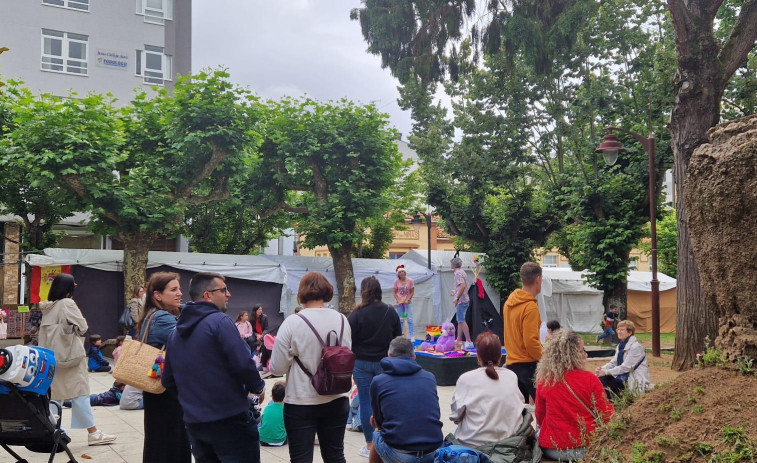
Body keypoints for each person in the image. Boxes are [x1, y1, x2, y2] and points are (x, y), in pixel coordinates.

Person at [162, 272, 266, 463]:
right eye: (224, 290)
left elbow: (168, 380)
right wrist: (259, 387)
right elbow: (244, 363)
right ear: (207, 295)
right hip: (230, 419)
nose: (229, 294)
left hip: (195, 423)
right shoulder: (220, 322)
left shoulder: (175, 333)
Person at [269, 271, 352, 463]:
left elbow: (276, 368)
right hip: (337, 398)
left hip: (301, 401)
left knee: (301, 459)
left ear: (301, 293)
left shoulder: (293, 322)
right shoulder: (342, 320)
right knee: (335, 456)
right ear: (327, 291)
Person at [38, 273, 116, 446]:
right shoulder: (67, 303)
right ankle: (93, 433)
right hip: (70, 358)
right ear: (68, 288)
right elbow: (83, 327)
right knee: (80, 393)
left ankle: (50, 430)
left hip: (52, 358)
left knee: (55, 396)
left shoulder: (47, 307)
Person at [137, 272, 191, 463]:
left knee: (160, 439)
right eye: (173, 289)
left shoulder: (153, 314)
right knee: (171, 440)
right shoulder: (162, 318)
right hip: (166, 389)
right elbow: (188, 343)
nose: (179, 293)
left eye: (179, 289)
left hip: (157, 387)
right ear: (157, 295)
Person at [535, 331, 614, 461]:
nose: (586, 354)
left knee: (538, 431)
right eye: (582, 350)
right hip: (585, 446)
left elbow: (539, 417)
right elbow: (606, 414)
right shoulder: (590, 379)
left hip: (553, 449)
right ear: (574, 354)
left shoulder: (545, 381)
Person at [348, 276, 402, 457]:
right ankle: (387, 440)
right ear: (379, 290)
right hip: (384, 362)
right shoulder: (390, 311)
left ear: (362, 291)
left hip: (361, 363)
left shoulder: (356, 314)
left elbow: (349, 341)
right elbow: (398, 338)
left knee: (365, 401)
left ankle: (370, 445)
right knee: (385, 400)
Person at [369, 336, 443, 463]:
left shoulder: (378, 381)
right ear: (414, 356)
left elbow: (378, 421)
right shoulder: (429, 377)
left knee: (377, 432)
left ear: (389, 355)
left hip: (400, 452)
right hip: (433, 450)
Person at [450, 332, 524, 447]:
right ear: (500, 356)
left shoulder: (465, 379)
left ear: (478, 356)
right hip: (507, 445)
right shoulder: (511, 376)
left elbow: (455, 416)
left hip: (473, 446)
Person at [504, 262, 544, 402]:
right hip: (528, 366)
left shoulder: (509, 302)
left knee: (518, 413)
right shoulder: (530, 307)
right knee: (543, 408)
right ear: (538, 279)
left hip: (511, 363)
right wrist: (545, 357)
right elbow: (531, 342)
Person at [596, 320, 651, 399]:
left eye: (622, 330)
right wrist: (602, 369)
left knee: (607, 385)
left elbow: (626, 367)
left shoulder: (636, 347)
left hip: (632, 378)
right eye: (618, 329)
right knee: (600, 380)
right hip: (622, 376)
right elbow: (614, 362)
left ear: (630, 332)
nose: (619, 331)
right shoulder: (621, 345)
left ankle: (610, 406)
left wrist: (606, 372)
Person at [450, 257, 473, 348]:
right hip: (464, 299)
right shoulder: (462, 271)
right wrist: (455, 292)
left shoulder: (458, 273)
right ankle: (459, 338)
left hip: (462, 300)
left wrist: (457, 297)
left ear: (453, 265)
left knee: (462, 320)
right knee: (459, 320)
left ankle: (469, 341)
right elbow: (461, 286)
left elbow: (462, 286)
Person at [260, 381, 288, 447]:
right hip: (280, 440)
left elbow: (262, 421)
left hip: (263, 441)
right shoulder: (286, 410)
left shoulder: (267, 408)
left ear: (272, 396)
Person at [392, 265, 415, 339]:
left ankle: (412, 336)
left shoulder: (410, 281)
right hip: (400, 304)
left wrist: (408, 299)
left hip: (408, 303)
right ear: (398, 274)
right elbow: (394, 293)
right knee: (401, 319)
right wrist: (399, 300)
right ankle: (401, 336)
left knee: (409, 319)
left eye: (403, 271)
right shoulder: (396, 282)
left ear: (405, 273)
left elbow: (412, 291)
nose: (402, 273)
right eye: (400, 272)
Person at [251, 304, 272, 371]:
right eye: (259, 309)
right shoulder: (251, 318)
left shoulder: (265, 317)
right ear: (255, 311)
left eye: (261, 309)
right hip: (256, 334)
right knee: (251, 340)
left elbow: (266, 328)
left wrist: (262, 335)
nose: (260, 311)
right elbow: (251, 330)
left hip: (263, 333)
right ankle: (253, 355)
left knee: (266, 338)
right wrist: (256, 335)